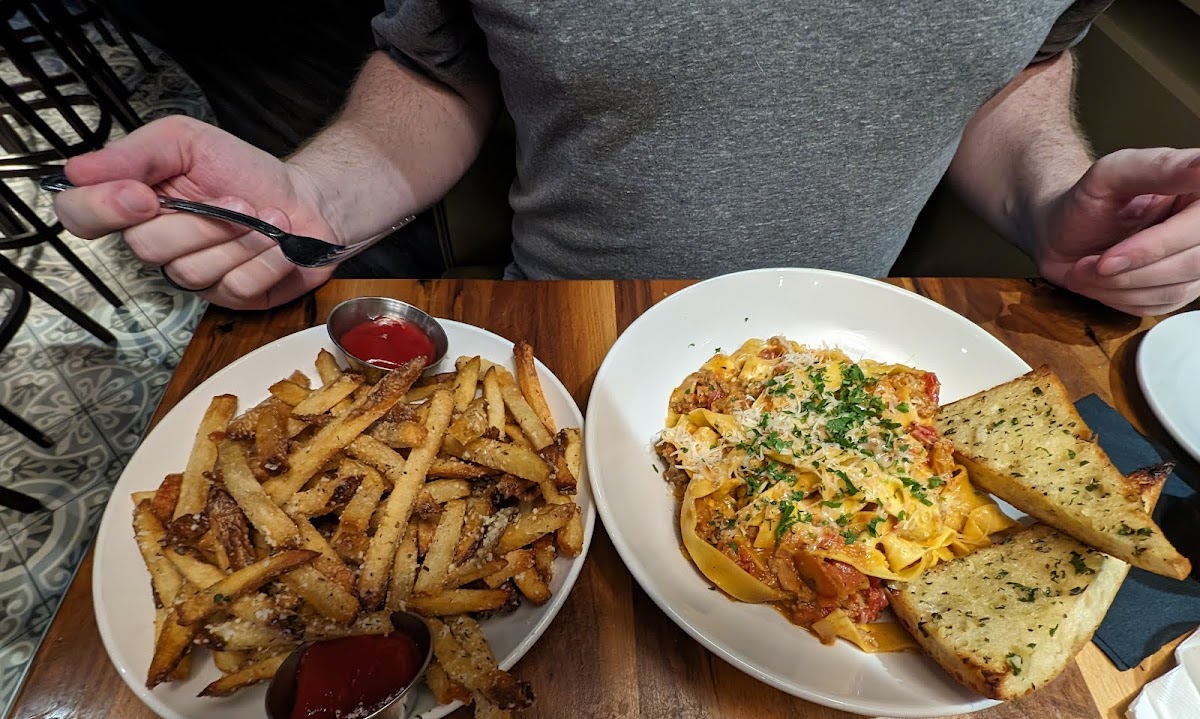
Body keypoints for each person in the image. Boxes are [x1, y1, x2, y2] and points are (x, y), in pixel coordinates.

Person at [54, 1, 1200, 316]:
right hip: (564, 347)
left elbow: (1011, 67)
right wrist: (318, 194)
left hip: (851, 370)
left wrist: (1055, 199)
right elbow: (444, 64)